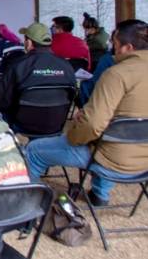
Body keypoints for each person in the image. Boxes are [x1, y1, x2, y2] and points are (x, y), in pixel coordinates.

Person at [25, 19, 148, 206]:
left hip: (113, 158)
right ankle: (100, 195)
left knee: (34, 150)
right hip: (143, 162)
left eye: (114, 44)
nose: (112, 49)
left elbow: (92, 125)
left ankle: (26, 203)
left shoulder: (117, 74)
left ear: (128, 47)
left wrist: (74, 134)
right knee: (112, 135)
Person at [0, 22, 76, 132]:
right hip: (56, 127)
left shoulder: (18, 65)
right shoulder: (66, 66)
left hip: (22, 127)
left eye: (25, 39)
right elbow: (71, 96)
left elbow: (0, 101)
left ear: (29, 43)